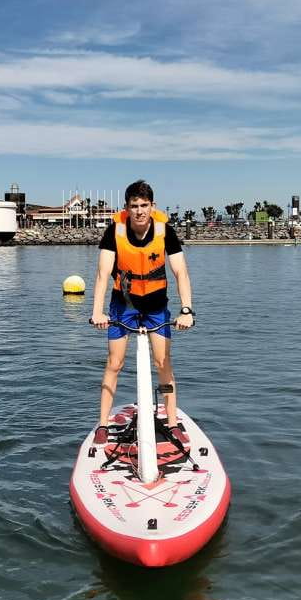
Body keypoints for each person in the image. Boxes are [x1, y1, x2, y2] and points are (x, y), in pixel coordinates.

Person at [89, 179, 195, 445]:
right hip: (122, 306)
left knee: (163, 362)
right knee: (115, 363)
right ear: (126, 208)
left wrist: (186, 310)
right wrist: (97, 311)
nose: (139, 211)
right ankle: (103, 424)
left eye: (144, 205)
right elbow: (103, 274)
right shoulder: (114, 232)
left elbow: (181, 272)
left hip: (157, 307)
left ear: (152, 206)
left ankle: (172, 423)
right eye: (134, 206)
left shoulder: (165, 232)